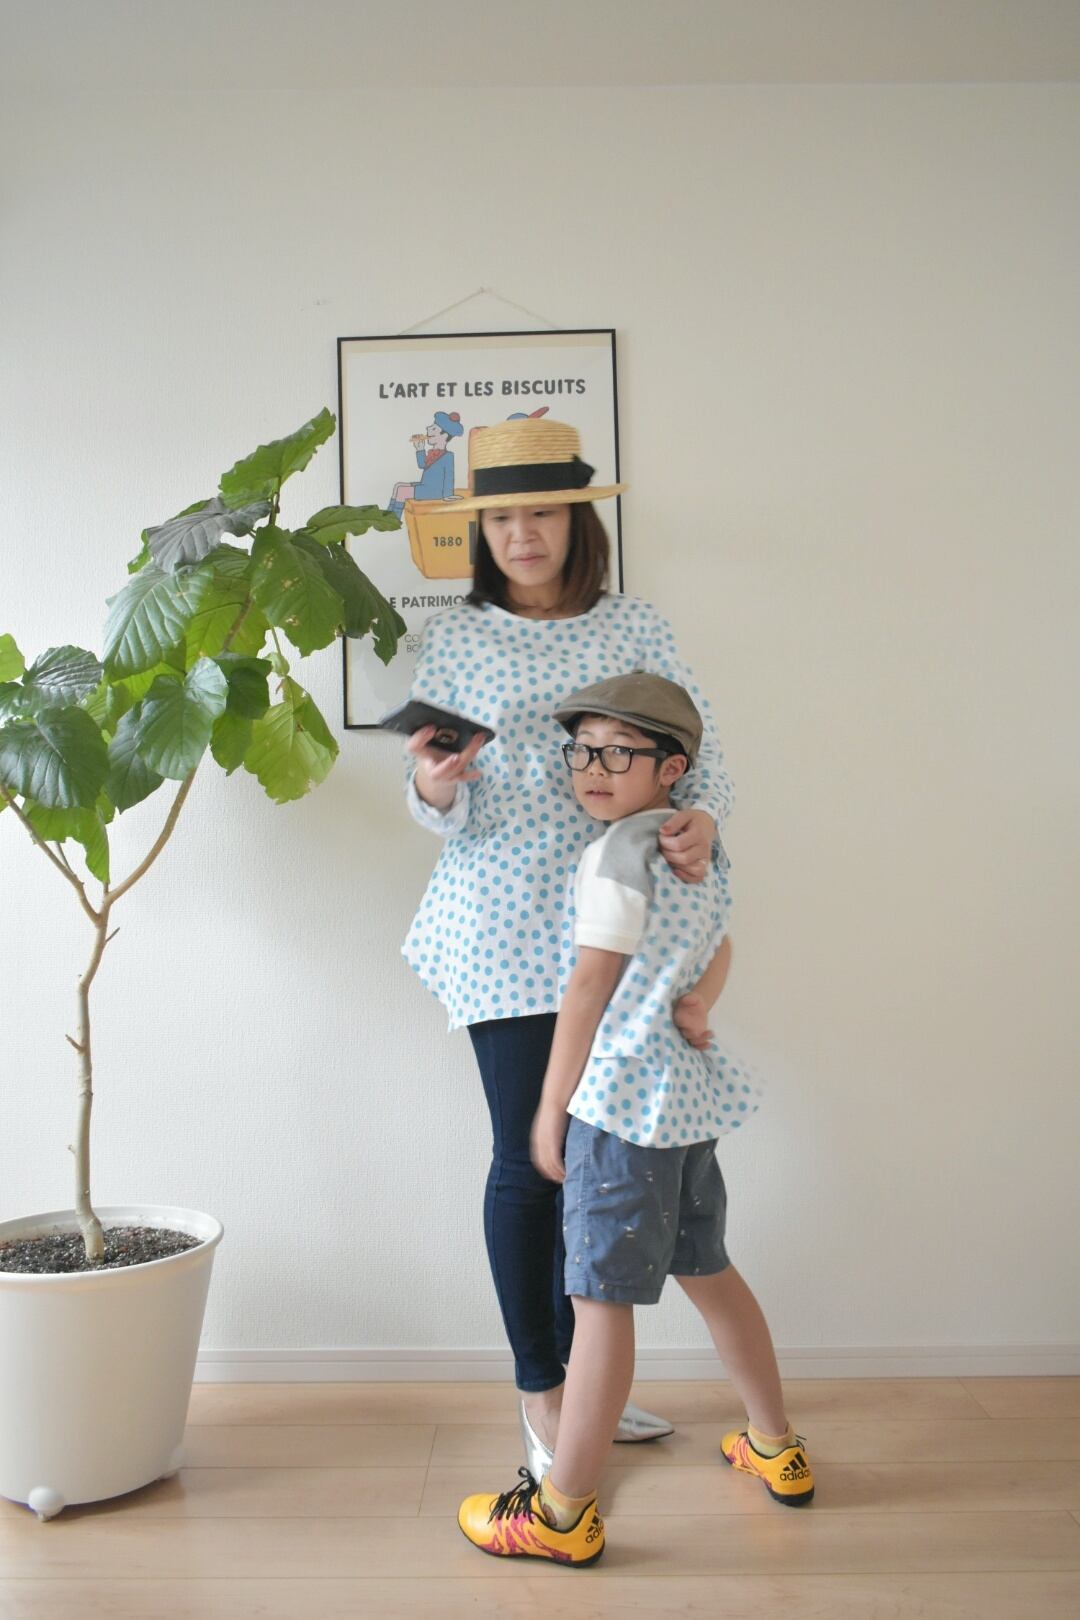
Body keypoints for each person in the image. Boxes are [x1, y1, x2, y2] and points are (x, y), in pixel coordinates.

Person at [401, 417, 733, 1472]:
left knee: (598, 1164)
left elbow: (700, 757)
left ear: (576, 519)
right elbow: (432, 798)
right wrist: (432, 785)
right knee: (530, 1157)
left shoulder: (636, 625)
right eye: (501, 517)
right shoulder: (459, 638)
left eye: (541, 511)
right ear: (481, 531)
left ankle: (589, 1388)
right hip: (500, 925)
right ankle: (541, 1390)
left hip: (621, 920)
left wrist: (703, 820)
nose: (522, 534)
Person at [457, 672, 813, 1567]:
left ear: (672, 766)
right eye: (581, 751)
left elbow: (589, 985)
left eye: (618, 753)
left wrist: (550, 1107)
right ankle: (776, 1444)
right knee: (710, 1270)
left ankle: (562, 1512)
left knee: (599, 1303)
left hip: (619, 1106)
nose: (592, 770)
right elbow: (720, 943)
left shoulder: (615, 854)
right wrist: (700, 1001)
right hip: (685, 1103)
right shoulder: (697, 847)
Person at [388, 409, 464, 515]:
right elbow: (422, 465)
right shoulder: (431, 452)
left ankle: (394, 520)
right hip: (425, 485)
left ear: (444, 435)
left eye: (433, 428)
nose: (428, 428)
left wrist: (448, 495)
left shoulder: (448, 456)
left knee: (402, 491)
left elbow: (449, 476)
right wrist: (420, 449)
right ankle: (387, 516)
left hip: (435, 491)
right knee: (398, 485)